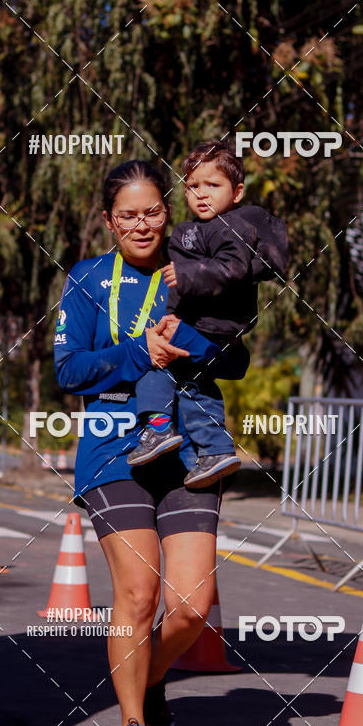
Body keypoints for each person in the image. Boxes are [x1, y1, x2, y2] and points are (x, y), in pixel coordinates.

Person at [54, 159, 238, 726]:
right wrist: (142, 353)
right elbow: (70, 370)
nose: (142, 225)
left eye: (153, 212)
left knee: (191, 607)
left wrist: (183, 340)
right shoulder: (87, 279)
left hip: (188, 454)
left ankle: (150, 677)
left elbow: (235, 360)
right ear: (110, 221)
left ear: (169, 212)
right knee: (137, 594)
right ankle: (135, 724)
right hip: (114, 452)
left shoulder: (198, 273)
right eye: (128, 215)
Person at [127, 139, 288, 488]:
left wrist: (188, 275)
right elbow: (177, 289)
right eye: (192, 186)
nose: (201, 193)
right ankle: (214, 449)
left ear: (237, 192)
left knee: (161, 366)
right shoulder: (189, 231)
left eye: (212, 185)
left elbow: (231, 270)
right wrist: (170, 316)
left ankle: (158, 428)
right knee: (189, 380)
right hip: (192, 322)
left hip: (215, 328)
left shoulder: (233, 228)